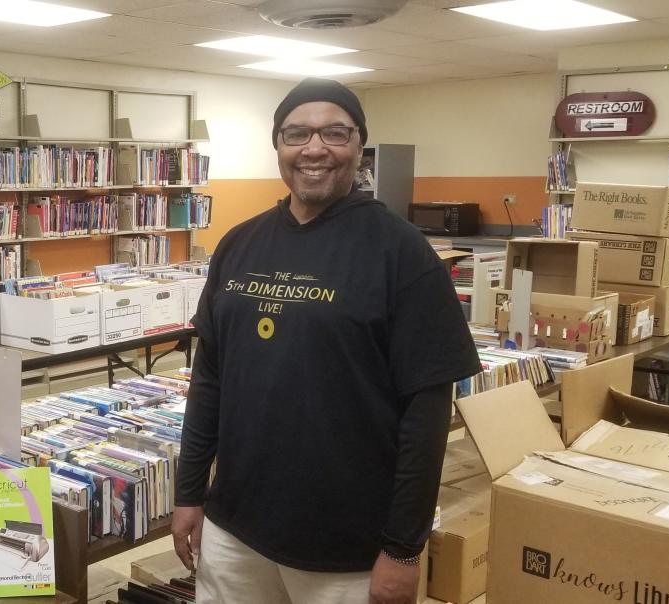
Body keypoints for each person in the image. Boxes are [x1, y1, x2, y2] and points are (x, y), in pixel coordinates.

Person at [171, 78, 480, 604]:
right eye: (297, 134)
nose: (314, 149)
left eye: (335, 133)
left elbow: (426, 414)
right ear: (278, 146)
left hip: (347, 548)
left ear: (360, 146)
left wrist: (404, 549)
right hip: (234, 531)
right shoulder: (239, 244)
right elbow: (210, 380)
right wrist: (189, 493)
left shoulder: (402, 254)